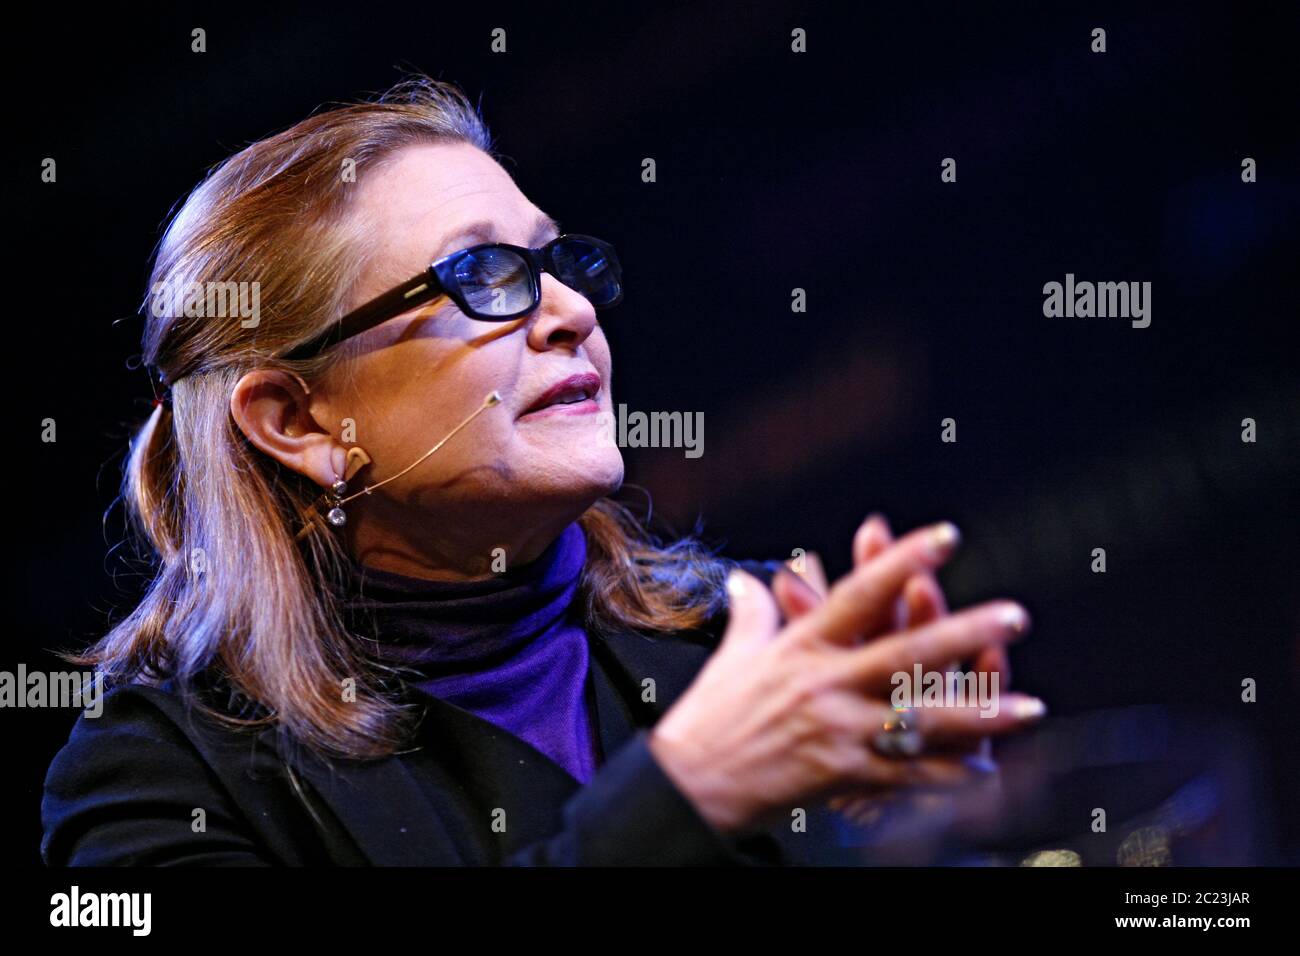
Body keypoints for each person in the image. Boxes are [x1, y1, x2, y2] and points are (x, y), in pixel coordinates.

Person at [41, 76, 1045, 866]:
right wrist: (686, 792)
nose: (570, 310)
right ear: (296, 418)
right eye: (483, 278)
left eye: (553, 261)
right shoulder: (155, 776)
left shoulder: (733, 637)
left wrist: (903, 824)